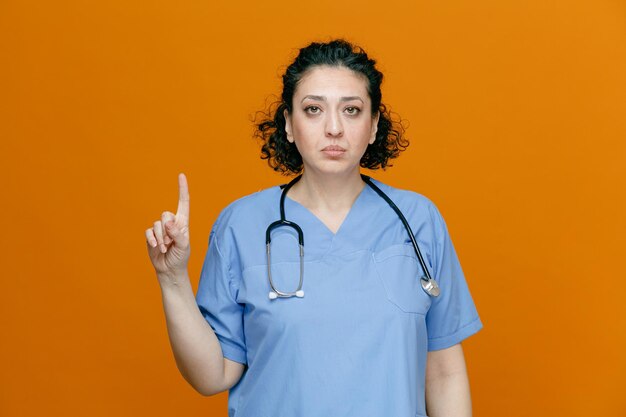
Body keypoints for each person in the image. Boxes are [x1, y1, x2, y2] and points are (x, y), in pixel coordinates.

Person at [145, 39, 483, 417]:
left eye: (352, 110)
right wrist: (172, 278)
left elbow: (444, 374)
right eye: (313, 110)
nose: (334, 128)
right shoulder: (240, 225)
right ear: (289, 124)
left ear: (373, 126)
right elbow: (212, 376)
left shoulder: (419, 220)